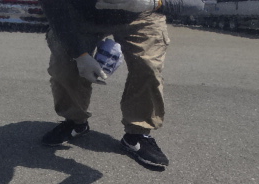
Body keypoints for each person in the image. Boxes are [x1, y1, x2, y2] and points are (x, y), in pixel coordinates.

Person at [39, 0, 170, 168]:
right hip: (81, 14)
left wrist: (155, 3)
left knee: (148, 67)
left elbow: (196, 3)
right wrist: (80, 55)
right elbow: (52, 6)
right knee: (65, 66)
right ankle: (75, 121)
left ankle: (137, 134)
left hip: (140, 15)